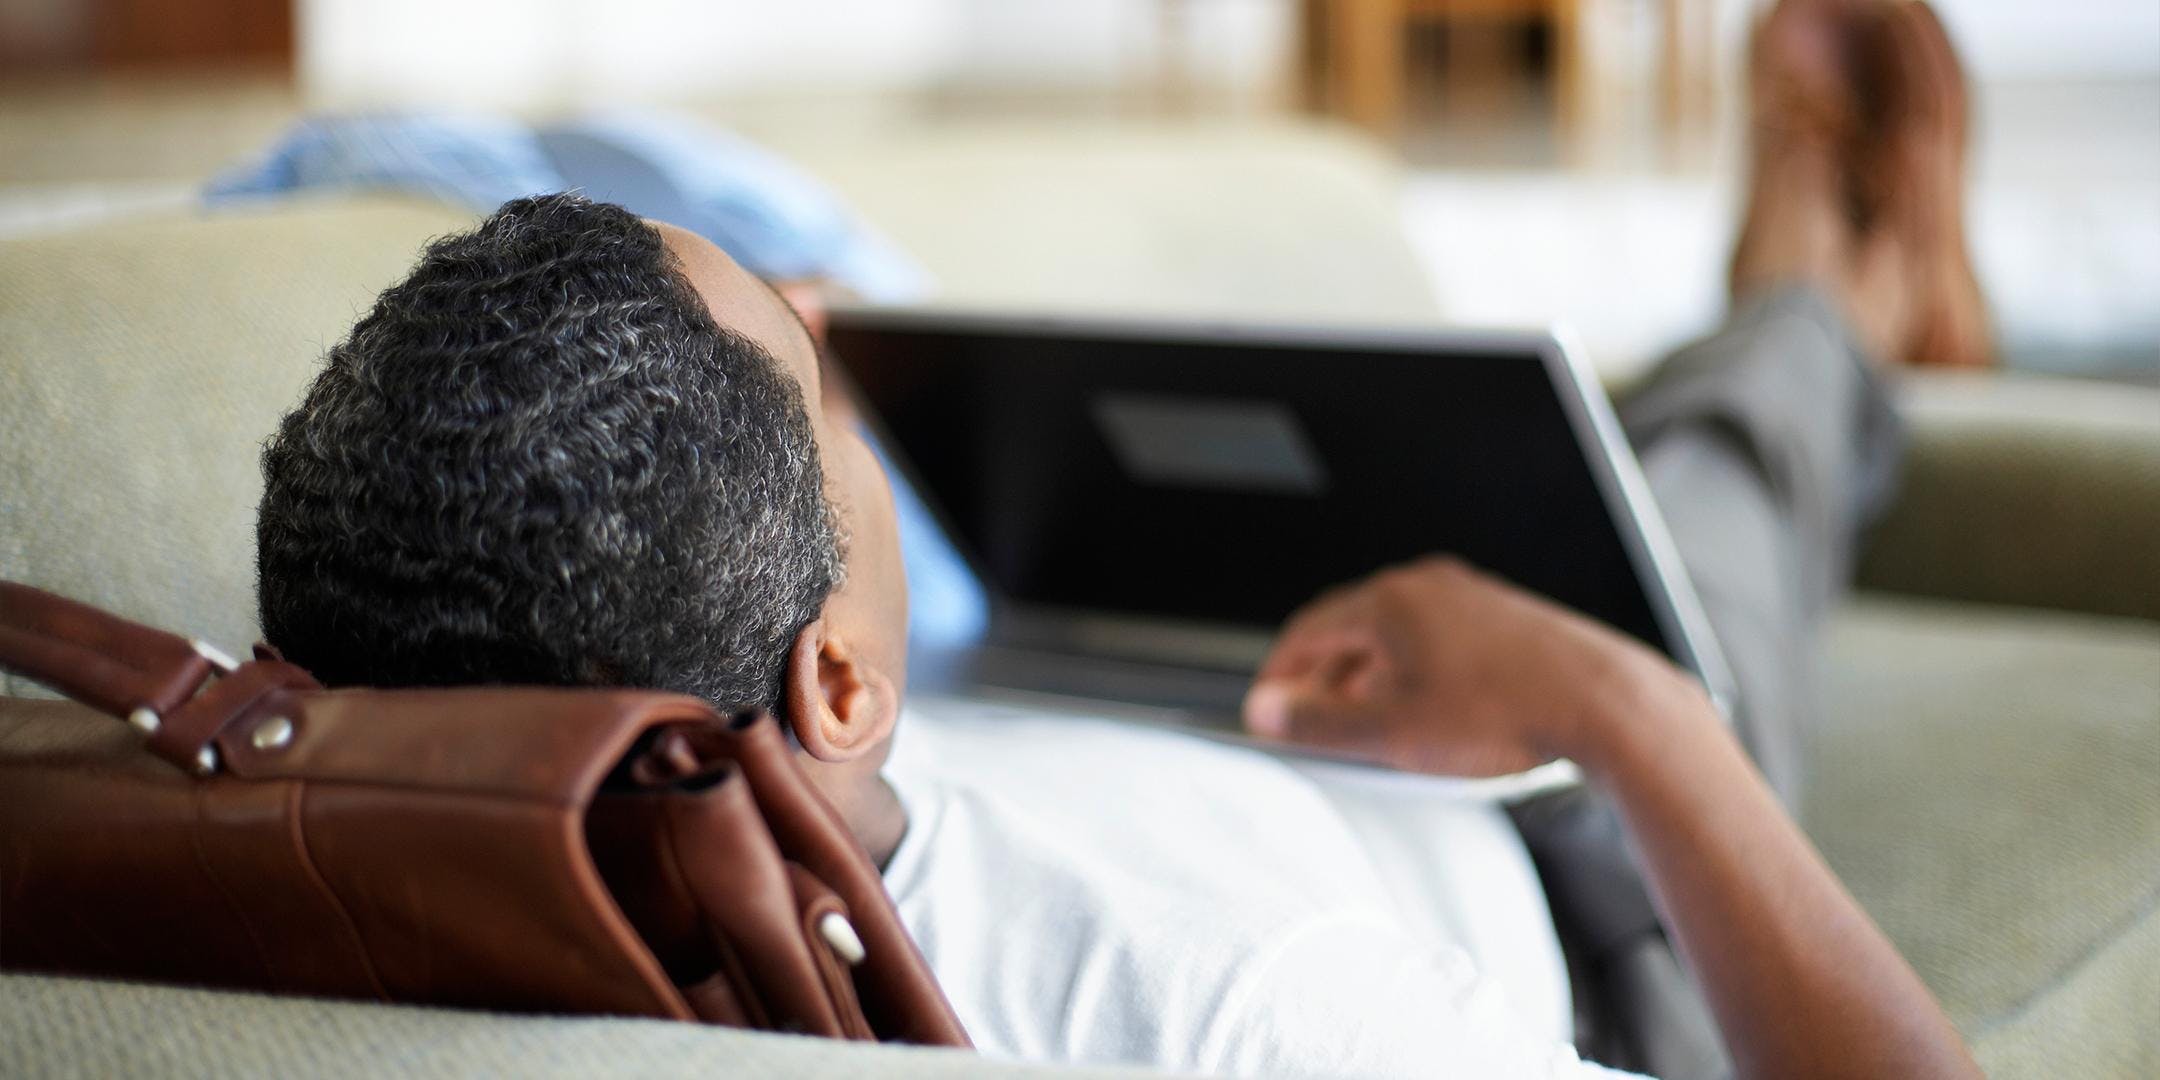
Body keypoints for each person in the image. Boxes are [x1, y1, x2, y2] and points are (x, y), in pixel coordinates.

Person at [252, 0, 1987, 1076]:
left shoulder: (630, 799)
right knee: (1704, 501)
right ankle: (1824, 291)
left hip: (1262, 749)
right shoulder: (1257, 1016)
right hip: (1596, 897)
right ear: (839, 682)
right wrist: (1615, 706)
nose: (819, 312)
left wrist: (807, 436)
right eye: (816, 370)